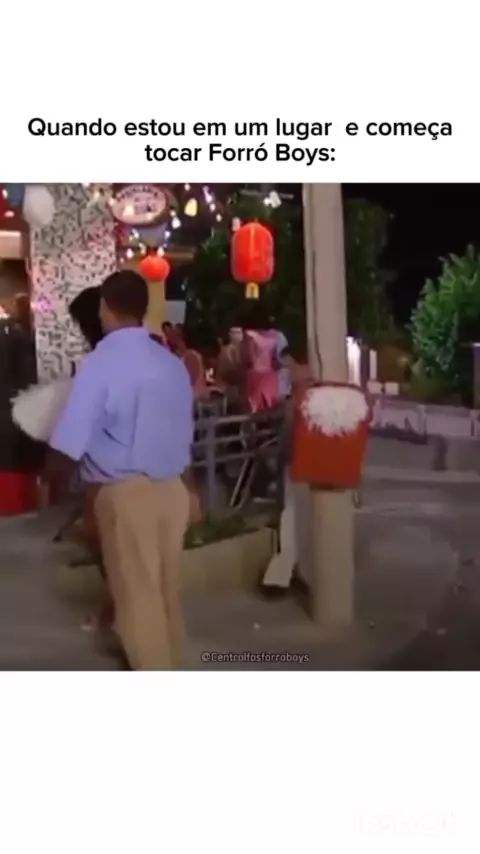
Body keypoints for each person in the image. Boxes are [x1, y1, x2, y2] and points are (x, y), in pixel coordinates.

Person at [47, 270, 194, 670]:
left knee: (138, 602)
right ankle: (175, 665)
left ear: (105, 308)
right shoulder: (171, 363)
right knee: (165, 594)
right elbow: (185, 431)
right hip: (172, 491)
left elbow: (70, 436)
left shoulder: (101, 363)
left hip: (127, 495)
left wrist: (51, 479)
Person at [241, 305, 282, 412]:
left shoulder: (250, 335)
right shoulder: (273, 336)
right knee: (271, 407)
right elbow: (275, 358)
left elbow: (249, 357)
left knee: (254, 407)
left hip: (255, 374)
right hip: (270, 375)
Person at [170, 326, 208, 400]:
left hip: (196, 397)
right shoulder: (184, 355)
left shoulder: (190, 355)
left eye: (173, 333)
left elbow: (192, 379)